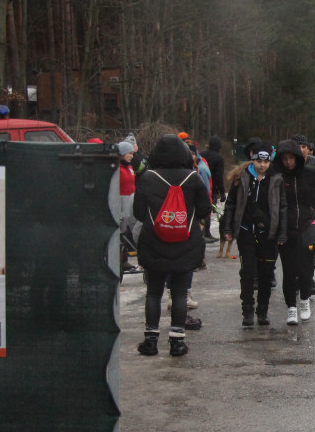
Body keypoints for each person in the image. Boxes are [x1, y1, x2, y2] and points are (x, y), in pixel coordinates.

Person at [132, 134, 213, 357]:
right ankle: (177, 341)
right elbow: (205, 210)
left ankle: (150, 341)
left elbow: (138, 212)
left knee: (153, 292)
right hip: (185, 243)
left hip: (153, 243)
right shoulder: (193, 178)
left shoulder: (147, 178)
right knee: (179, 293)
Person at [220, 141, 287, 327]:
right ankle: (247, 311)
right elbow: (231, 204)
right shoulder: (242, 177)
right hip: (246, 231)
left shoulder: (276, 179)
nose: (262, 165)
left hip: (269, 233)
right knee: (248, 272)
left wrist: (282, 233)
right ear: (252, 159)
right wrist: (227, 228)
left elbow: (282, 207)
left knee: (266, 274)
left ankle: (262, 311)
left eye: (266, 162)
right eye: (259, 161)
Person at [274, 139, 315, 325]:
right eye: (284, 159)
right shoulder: (278, 177)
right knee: (288, 271)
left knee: (306, 270)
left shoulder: (311, 173)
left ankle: (304, 301)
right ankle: (291, 308)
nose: (288, 162)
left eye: (291, 158)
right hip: (286, 230)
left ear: (297, 157)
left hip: (308, 229)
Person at [117, 138, 139, 275]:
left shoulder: (129, 167)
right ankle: (122, 260)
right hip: (121, 202)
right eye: (129, 153)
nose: (132, 156)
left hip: (131, 199)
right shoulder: (117, 169)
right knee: (121, 232)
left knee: (133, 228)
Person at [202, 136, 226, 205]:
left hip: (201, 184)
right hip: (212, 188)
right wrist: (222, 192)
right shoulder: (219, 158)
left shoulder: (202, 154)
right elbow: (219, 177)